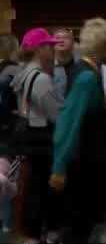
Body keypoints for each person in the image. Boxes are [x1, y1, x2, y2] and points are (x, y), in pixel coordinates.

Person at [49, 18, 106, 244]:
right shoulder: (87, 77)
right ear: (105, 46)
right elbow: (69, 122)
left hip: (94, 163)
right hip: (90, 165)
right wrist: (59, 167)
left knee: (84, 225)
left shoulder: (87, 73)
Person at [12, 28, 62, 244]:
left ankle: (31, 233)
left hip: (29, 138)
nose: (52, 50)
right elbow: (55, 114)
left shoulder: (22, 74)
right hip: (42, 139)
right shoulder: (40, 78)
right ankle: (41, 234)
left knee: (33, 188)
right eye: (48, 46)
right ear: (38, 49)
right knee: (42, 190)